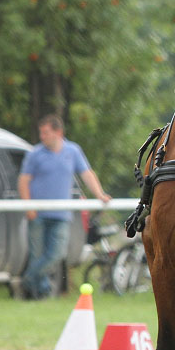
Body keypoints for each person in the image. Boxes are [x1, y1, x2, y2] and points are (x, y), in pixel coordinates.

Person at [18, 114, 111, 299]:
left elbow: (87, 174)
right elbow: (23, 181)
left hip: (61, 214)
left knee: (57, 254)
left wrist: (99, 194)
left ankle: (27, 279)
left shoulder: (73, 151)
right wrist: (29, 206)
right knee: (37, 255)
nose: (42, 136)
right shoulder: (35, 154)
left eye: (46, 132)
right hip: (38, 213)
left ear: (58, 132)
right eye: (41, 133)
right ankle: (41, 295)